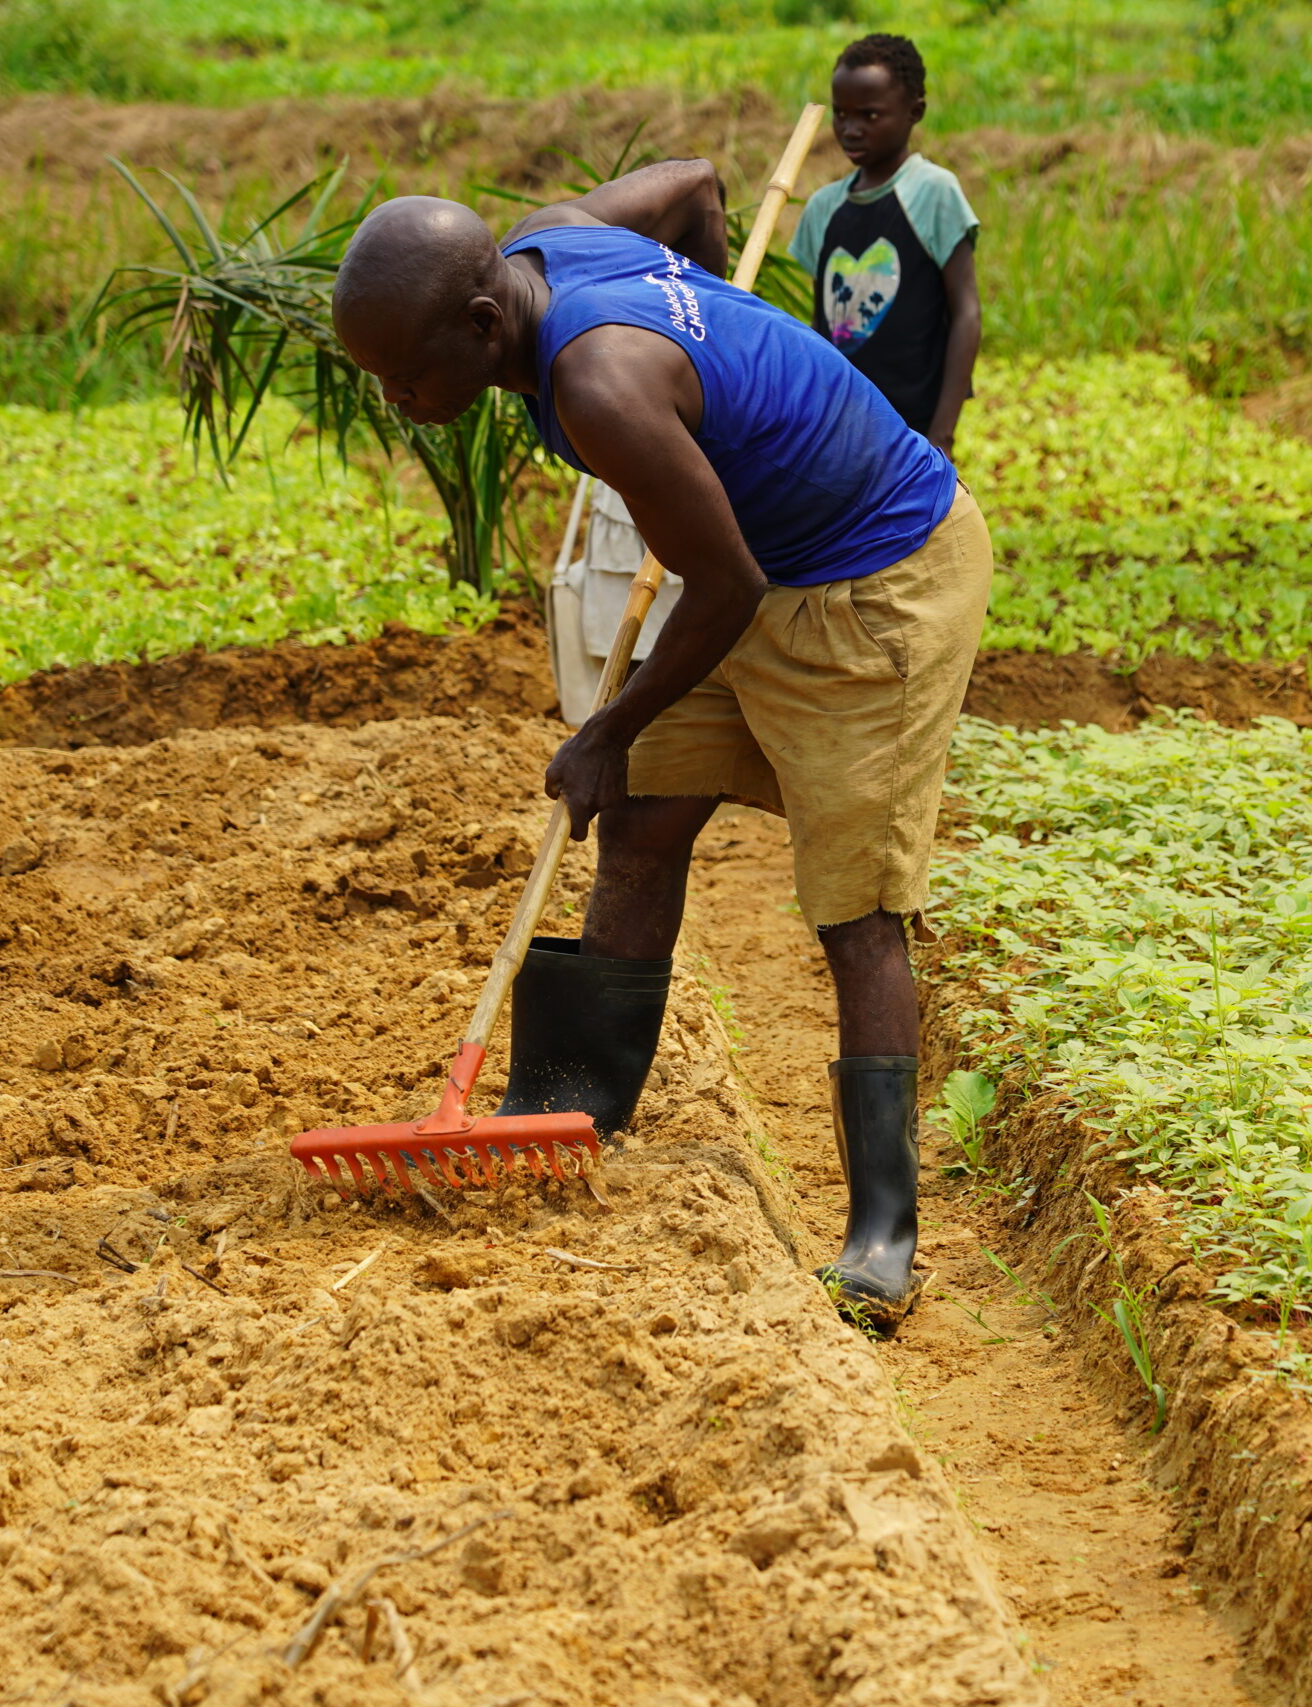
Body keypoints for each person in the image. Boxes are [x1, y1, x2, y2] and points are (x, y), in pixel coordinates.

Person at [328, 161, 993, 1332]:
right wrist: (704, 304)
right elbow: (693, 180)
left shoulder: (600, 383)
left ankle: (884, 1234)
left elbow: (721, 580)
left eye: (403, 375)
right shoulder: (551, 241)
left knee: (854, 908)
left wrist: (605, 724)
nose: (396, 402)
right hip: (757, 566)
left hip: (872, 580)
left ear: (484, 327)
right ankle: (575, 1111)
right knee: (641, 812)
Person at [788, 33, 982, 454]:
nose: (850, 129)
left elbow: (966, 311)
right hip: (838, 424)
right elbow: (823, 324)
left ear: (915, 112)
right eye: (840, 114)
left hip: (913, 428)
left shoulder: (933, 192)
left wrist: (942, 435)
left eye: (870, 115)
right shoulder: (824, 207)